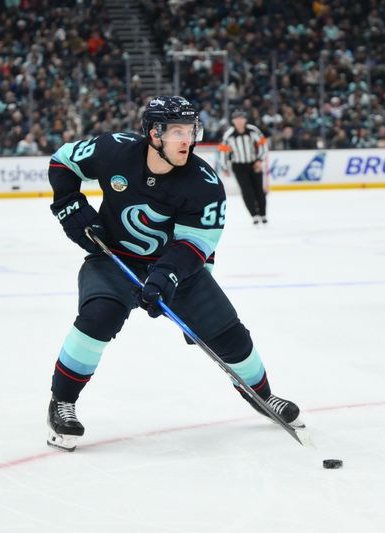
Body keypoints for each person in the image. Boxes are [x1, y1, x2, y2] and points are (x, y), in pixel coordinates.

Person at [45, 96, 303, 451]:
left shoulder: (203, 182)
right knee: (98, 317)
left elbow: (196, 244)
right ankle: (62, 402)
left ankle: (263, 395)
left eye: (191, 131)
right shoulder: (113, 150)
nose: (188, 140)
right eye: (177, 132)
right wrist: (69, 206)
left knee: (228, 335)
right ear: (154, 134)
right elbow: (62, 162)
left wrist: (166, 276)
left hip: (178, 270)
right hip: (114, 259)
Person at [218, 109, 269, 225]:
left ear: (245, 120)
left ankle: (263, 214)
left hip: (254, 164)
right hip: (239, 166)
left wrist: (260, 160)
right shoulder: (229, 134)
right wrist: (224, 167)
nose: (239, 121)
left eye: (241, 118)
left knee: (259, 190)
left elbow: (263, 144)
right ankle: (254, 215)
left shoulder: (253, 130)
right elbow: (223, 152)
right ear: (233, 121)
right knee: (247, 191)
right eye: (237, 119)